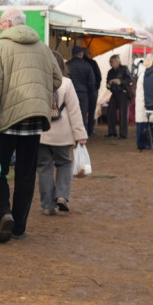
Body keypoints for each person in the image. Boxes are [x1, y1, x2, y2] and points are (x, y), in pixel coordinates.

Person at [0, 8, 63, 243]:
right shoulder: (42, 48)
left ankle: (5, 213)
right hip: (35, 120)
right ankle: (19, 228)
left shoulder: (0, 47)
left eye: (0, 23)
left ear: (6, 24)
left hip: (6, 120)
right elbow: (58, 79)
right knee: (26, 174)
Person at [38, 50, 88, 215]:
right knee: (64, 163)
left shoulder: (38, 82)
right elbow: (74, 110)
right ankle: (62, 196)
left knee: (44, 167)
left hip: (41, 133)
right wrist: (80, 134)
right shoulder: (66, 83)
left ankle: (47, 205)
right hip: (62, 134)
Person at [66, 46, 96, 135]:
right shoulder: (87, 65)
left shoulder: (67, 65)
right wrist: (91, 94)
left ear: (72, 54)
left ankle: (69, 135)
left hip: (70, 93)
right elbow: (92, 82)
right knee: (82, 115)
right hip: (83, 94)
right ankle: (82, 136)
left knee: (69, 114)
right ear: (81, 54)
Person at [105, 54, 131, 139]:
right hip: (114, 93)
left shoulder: (124, 69)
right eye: (110, 62)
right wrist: (109, 84)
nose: (111, 63)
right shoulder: (110, 72)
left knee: (123, 114)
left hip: (123, 93)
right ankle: (112, 132)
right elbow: (107, 85)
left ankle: (123, 134)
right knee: (110, 111)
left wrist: (120, 81)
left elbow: (130, 79)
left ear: (117, 61)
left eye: (112, 61)